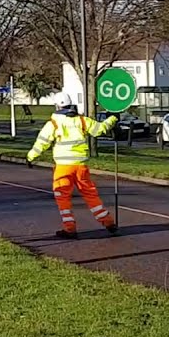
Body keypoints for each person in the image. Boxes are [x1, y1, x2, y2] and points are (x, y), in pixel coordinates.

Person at [26, 92, 119, 238]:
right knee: (90, 193)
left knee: (62, 195)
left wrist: (30, 157)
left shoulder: (53, 123)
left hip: (63, 166)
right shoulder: (82, 121)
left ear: (57, 105)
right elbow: (100, 129)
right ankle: (108, 222)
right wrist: (113, 118)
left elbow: (42, 142)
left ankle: (70, 228)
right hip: (80, 165)